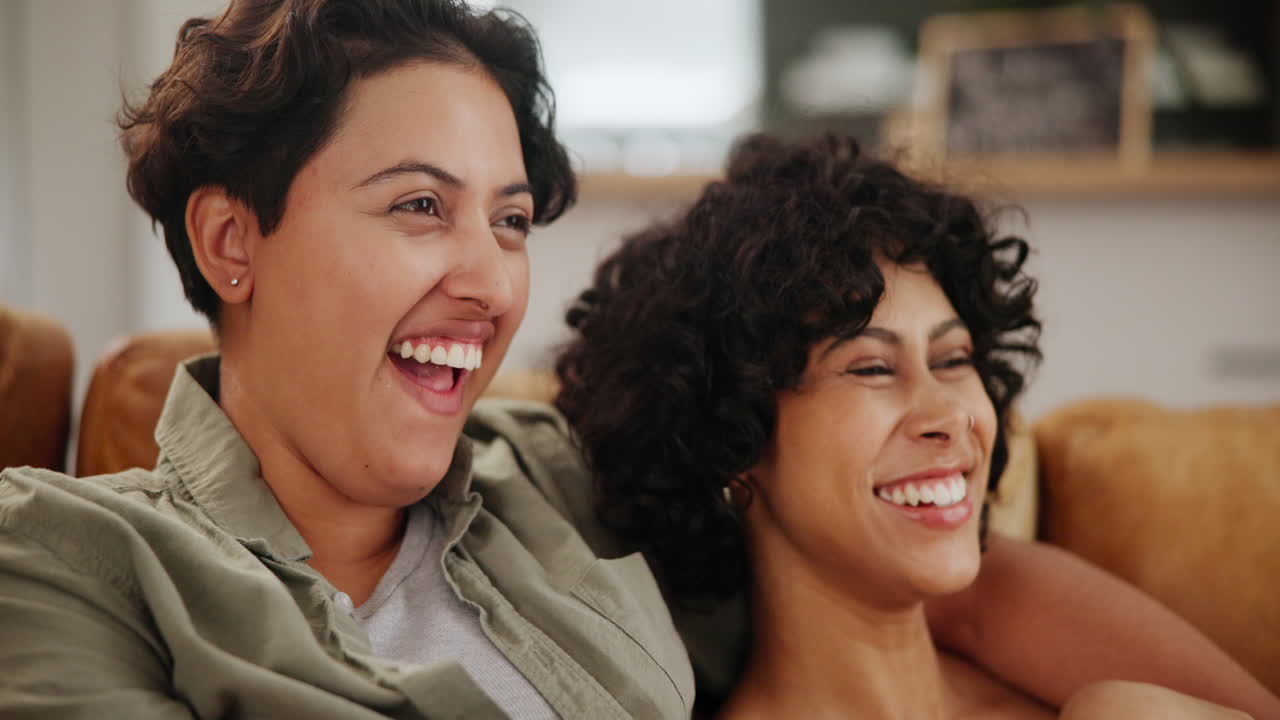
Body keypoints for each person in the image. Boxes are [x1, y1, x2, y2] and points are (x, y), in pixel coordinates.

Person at [554, 133, 1280, 718]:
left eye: (955, 358)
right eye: (871, 368)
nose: (947, 417)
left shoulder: (1033, 631)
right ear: (731, 440)